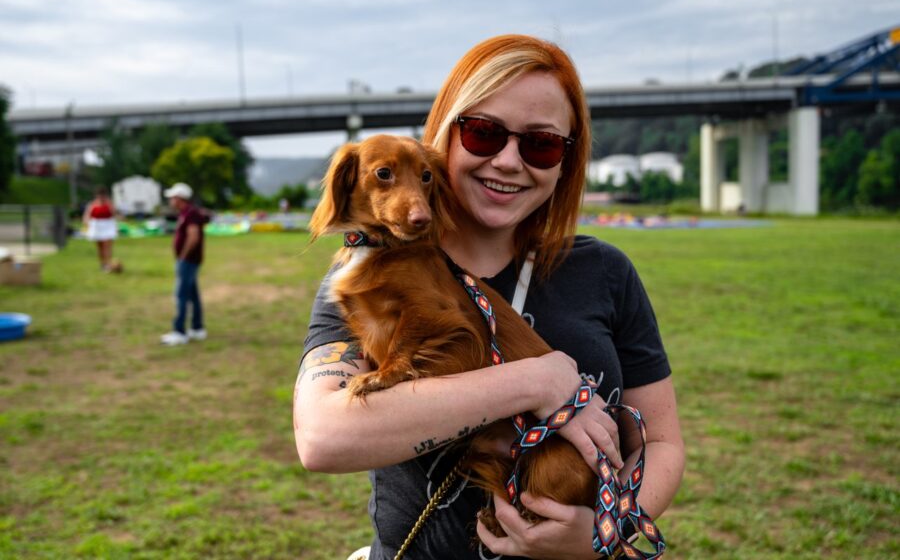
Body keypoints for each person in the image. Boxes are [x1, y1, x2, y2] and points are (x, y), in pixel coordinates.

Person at [294, 34, 684, 560]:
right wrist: (534, 381)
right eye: (483, 133)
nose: (507, 161)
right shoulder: (366, 280)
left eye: (540, 144)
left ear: (566, 162)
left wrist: (603, 534)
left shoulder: (605, 272)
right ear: (445, 135)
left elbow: (659, 445)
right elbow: (324, 439)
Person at [159, 182, 207, 346]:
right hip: (190, 260)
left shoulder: (190, 213)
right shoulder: (187, 213)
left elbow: (193, 237)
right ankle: (197, 328)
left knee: (181, 295)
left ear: (179, 198)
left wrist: (183, 257)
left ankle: (179, 332)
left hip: (188, 261)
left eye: (172, 197)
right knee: (193, 295)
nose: (170, 200)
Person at [82, 185, 118, 272]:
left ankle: (109, 264)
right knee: (100, 247)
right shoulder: (92, 204)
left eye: (103, 195)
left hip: (108, 226)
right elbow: (87, 215)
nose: (101, 197)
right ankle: (103, 264)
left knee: (107, 246)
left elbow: (114, 214)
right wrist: (86, 223)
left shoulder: (109, 204)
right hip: (97, 226)